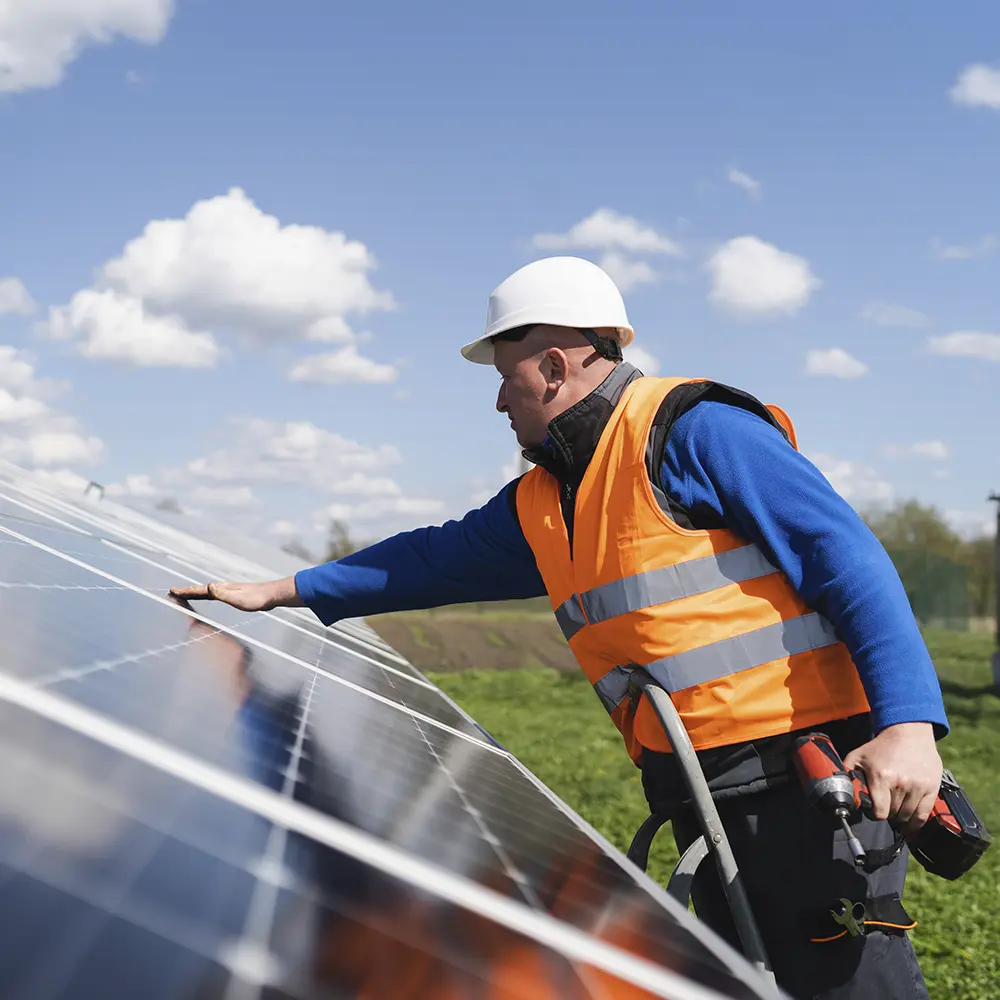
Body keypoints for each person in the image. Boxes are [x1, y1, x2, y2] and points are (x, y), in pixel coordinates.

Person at [171, 256, 947, 1000]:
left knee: (849, 985)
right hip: (706, 794)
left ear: (552, 367)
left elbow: (844, 558)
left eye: (506, 380)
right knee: (751, 974)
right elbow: (431, 560)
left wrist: (909, 726)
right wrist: (285, 589)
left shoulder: (695, 431)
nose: (499, 404)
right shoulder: (547, 499)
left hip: (808, 781)